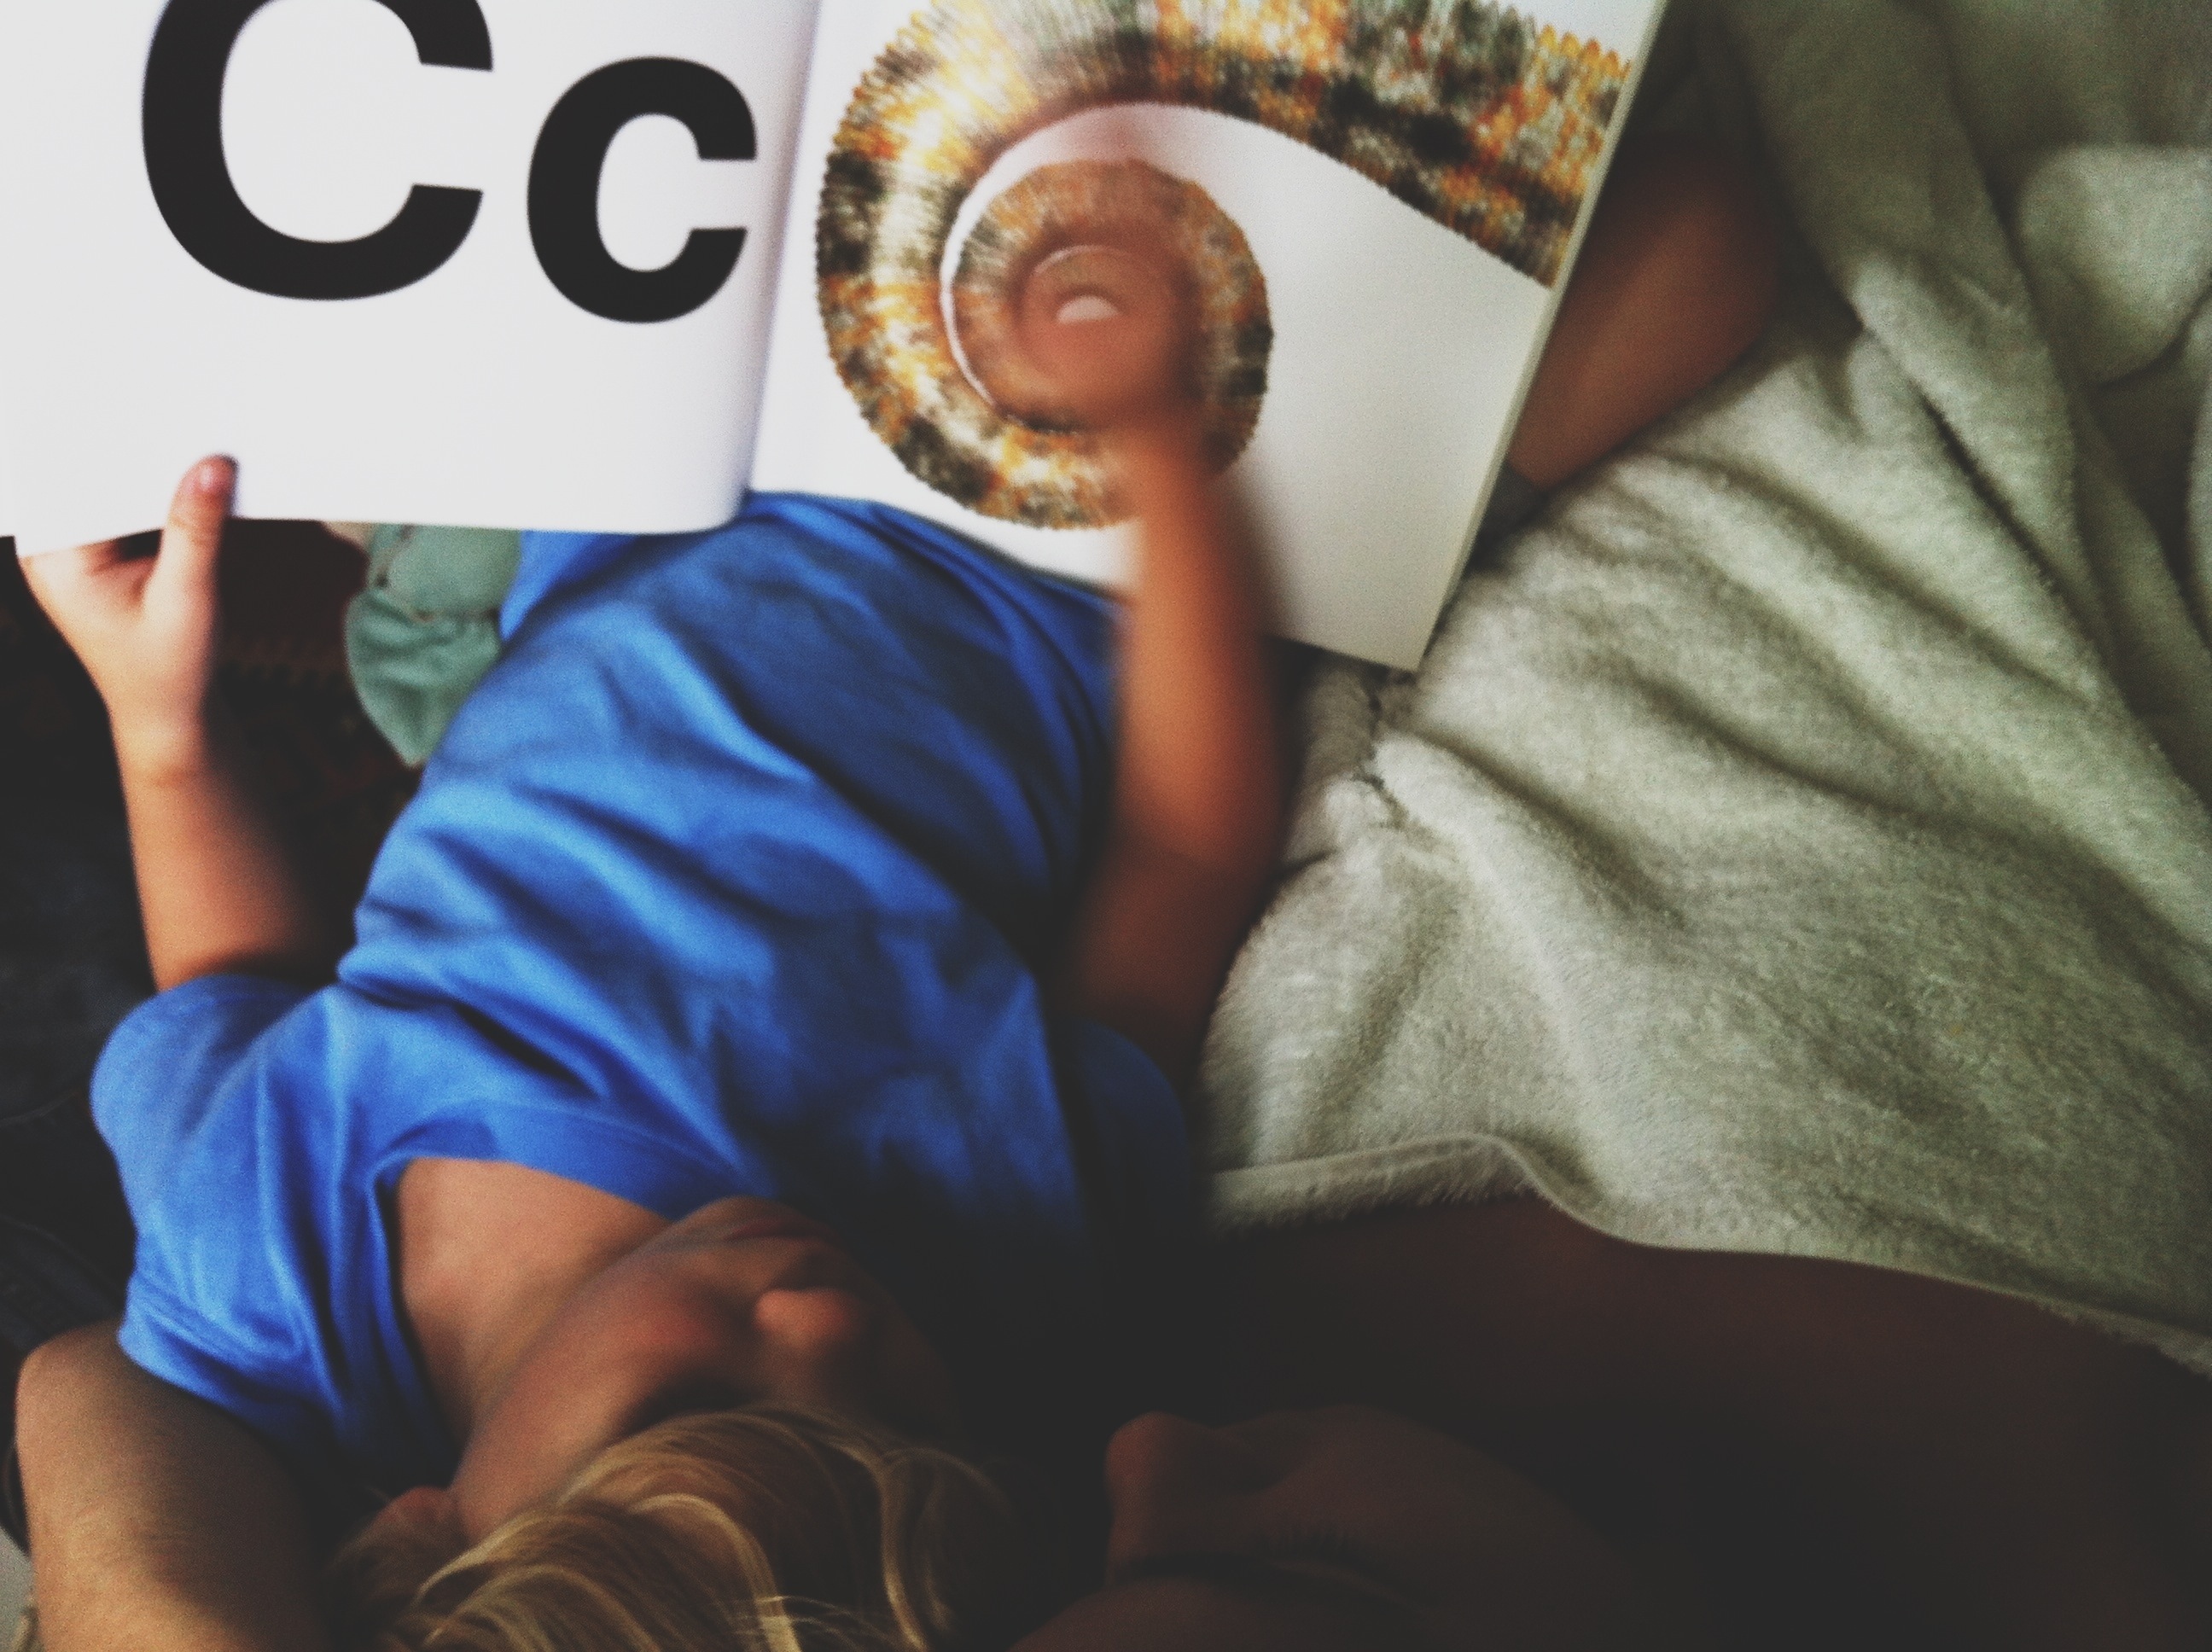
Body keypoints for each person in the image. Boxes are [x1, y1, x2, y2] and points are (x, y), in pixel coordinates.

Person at [13, 130, 1786, 1650]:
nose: (827, 1321)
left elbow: (231, 994)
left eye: (696, 1398)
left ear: (419, 1535)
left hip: (638, 474)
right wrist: (1160, 456)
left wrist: (158, 725)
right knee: (1699, 265)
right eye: (900, 1407)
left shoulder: (277, 1289)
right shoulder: (1002, 1251)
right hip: (1059, 535)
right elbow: (1178, 852)